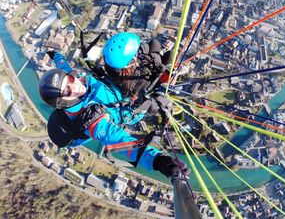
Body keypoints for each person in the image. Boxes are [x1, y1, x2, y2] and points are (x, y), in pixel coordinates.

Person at [39, 48, 185, 178]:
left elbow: (63, 66)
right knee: (156, 92)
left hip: (115, 90)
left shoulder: (77, 79)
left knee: (152, 50)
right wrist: (158, 161)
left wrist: (55, 55)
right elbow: (123, 143)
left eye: (70, 79)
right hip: (129, 109)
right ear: (63, 102)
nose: (74, 85)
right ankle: (166, 80)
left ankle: (161, 71)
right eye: (68, 91)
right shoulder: (92, 122)